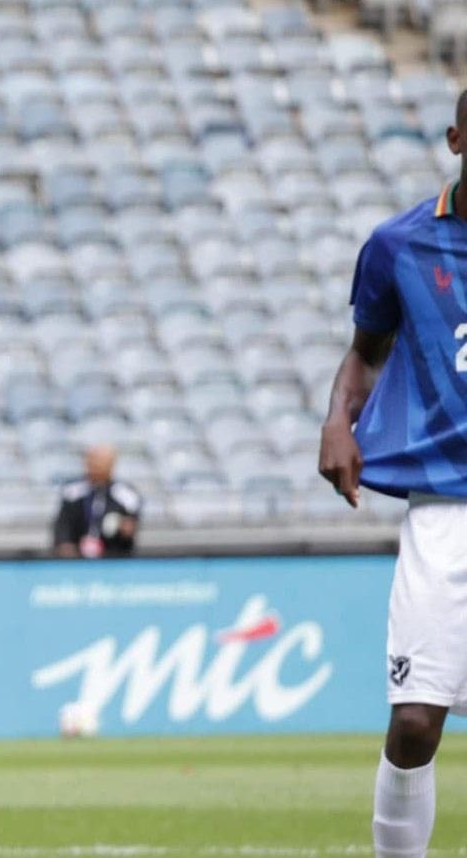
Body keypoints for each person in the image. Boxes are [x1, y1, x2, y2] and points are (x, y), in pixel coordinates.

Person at [318, 89, 467, 858]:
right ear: (456, 137)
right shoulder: (399, 245)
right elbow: (364, 351)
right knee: (414, 722)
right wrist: (339, 420)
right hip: (445, 508)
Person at [50, 445, 142, 559]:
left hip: (114, 556)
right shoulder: (72, 492)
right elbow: (63, 524)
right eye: (92, 462)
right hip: (76, 557)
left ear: (111, 465)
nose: (96, 467)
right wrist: (64, 543)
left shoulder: (125, 494)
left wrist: (126, 527)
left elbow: (131, 522)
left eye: (100, 463)